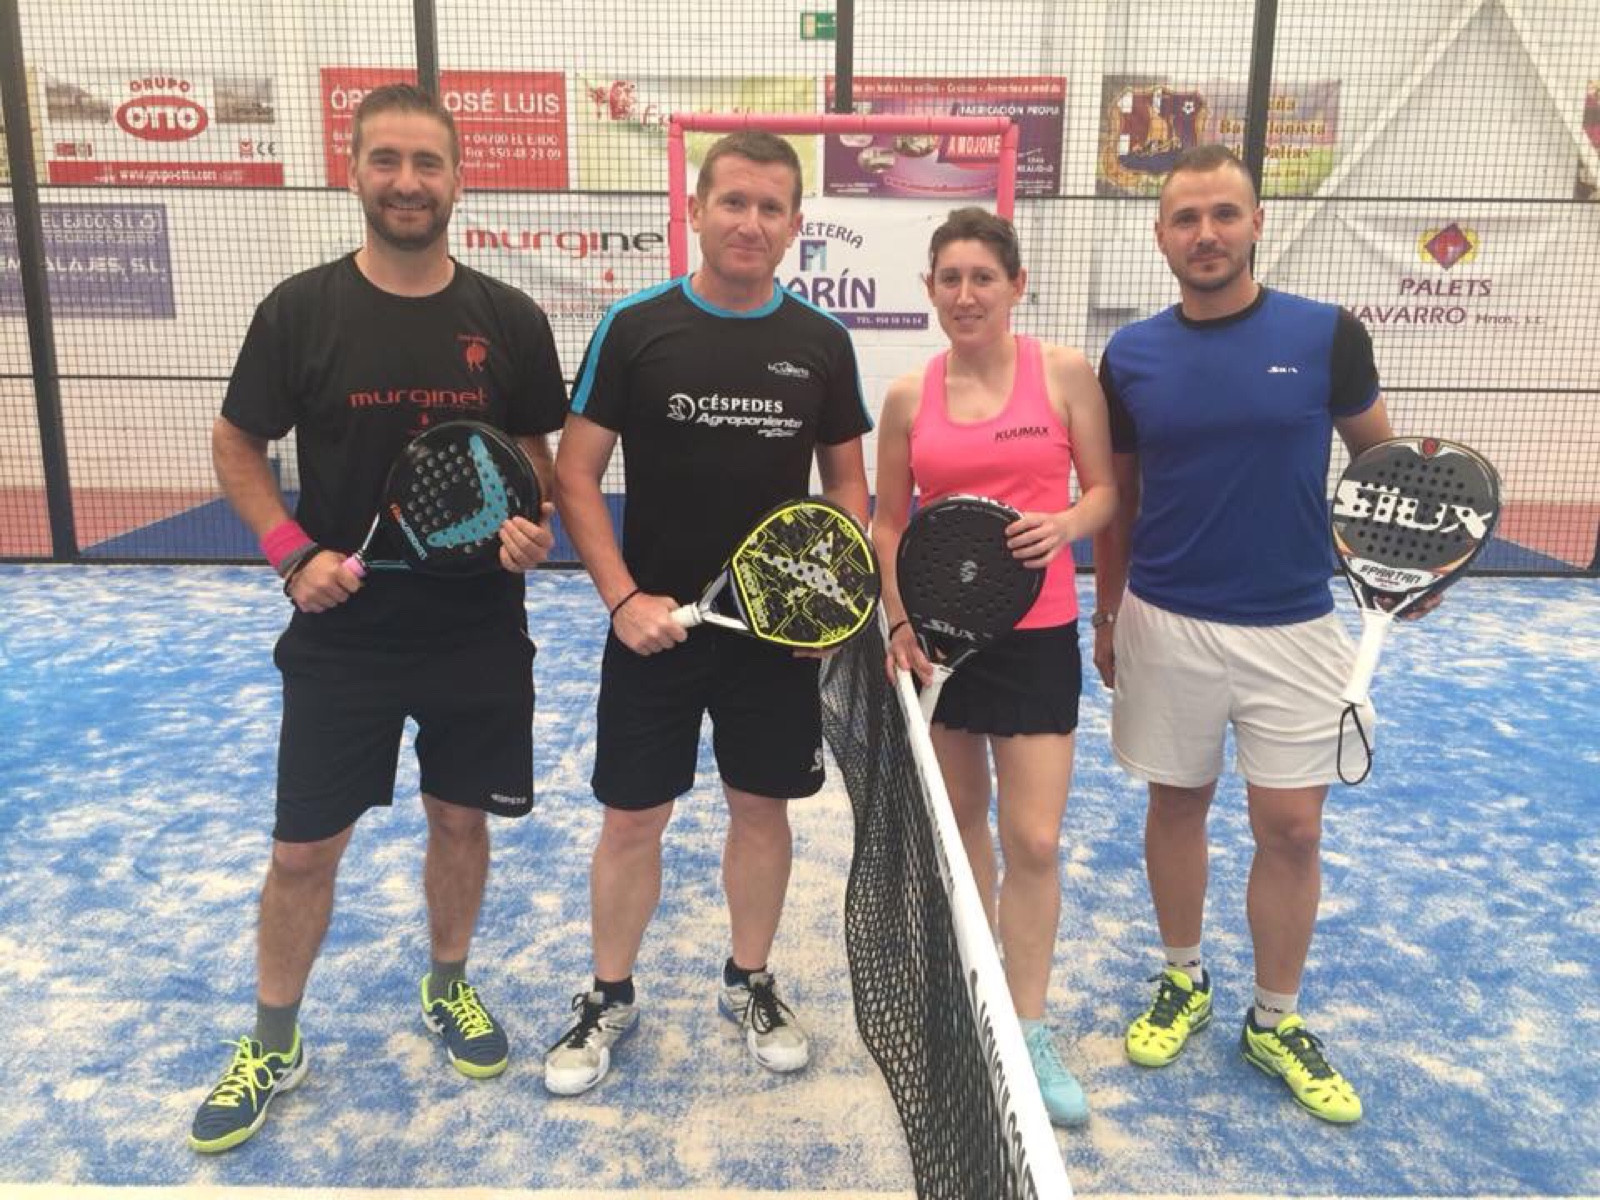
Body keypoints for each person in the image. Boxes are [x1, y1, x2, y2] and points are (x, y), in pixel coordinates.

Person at [189, 83, 567, 1153]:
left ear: (458, 180)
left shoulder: (509, 319)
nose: (408, 182)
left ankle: (447, 984)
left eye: (427, 163)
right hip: (342, 641)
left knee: (461, 823)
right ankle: (275, 1039)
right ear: (353, 171)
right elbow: (236, 443)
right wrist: (289, 552)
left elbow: (533, 459)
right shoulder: (299, 311)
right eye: (387, 160)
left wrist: (530, 525)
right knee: (304, 851)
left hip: (477, 634)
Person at [1093, 144, 1415, 1124]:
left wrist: (1402, 569)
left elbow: (1382, 467)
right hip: (1165, 620)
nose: (1206, 234)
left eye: (1223, 214)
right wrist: (1107, 614)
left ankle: (1274, 1019)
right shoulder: (1129, 356)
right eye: (1186, 218)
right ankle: (1182, 977)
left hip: (1294, 627)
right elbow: (1119, 501)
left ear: (1255, 223)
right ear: (1161, 236)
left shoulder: (1327, 335)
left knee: (1292, 827)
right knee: (1176, 803)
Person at [546, 130, 871, 1096]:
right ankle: (609, 994)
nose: (750, 222)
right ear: (695, 210)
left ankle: (751, 980)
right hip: (651, 635)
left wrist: (820, 597)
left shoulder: (822, 342)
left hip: (772, 642)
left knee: (761, 810)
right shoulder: (635, 327)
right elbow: (574, 474)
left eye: (771, 207)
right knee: (632, 818)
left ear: (795, 226)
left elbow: (847, 487)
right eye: (733, 201)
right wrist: (622, 599)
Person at [871, 207, 1116, 1127]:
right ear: (930, 290)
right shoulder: (908, 397)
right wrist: (900, 622)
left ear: (1017, 285)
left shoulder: (1064, 374)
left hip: (1038, 636)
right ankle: (975, 1001)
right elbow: (888, 523)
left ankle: (1030, 1027)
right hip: (938, 640)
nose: (966, 294)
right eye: (950, 278)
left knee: (1035, 841)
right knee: (961, 830)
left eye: (984, 277)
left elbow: (1105, 491)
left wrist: (1067, 524)